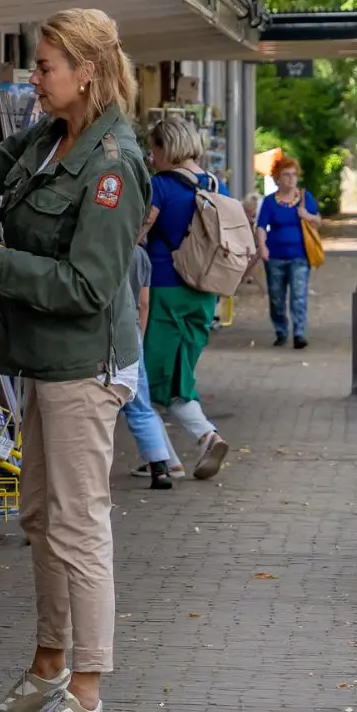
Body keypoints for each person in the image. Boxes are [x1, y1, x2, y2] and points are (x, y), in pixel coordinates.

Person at [0, 8, 147, 712]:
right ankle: (48, 669)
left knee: (78, 525)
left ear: (88, 72)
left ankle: (87, 694)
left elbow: (89, 285)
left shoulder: (112, 165)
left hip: (83, 366)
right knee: (43, 519)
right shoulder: (51, 139)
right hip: (42, 361)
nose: (33, 79)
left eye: (45, 67)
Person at [140, 116, 232, 480]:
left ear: (167, 148)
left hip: (164, 288)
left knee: (148, 376)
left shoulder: (160, 186)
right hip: (204, 291)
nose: (151, 156)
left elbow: (138, 232)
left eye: (154, 148)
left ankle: (193, 443)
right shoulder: (214, 184)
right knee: (180, 374)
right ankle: (164, 454)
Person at [121, 240, 180, 488]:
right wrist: (140, 336)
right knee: (141, 405)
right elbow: (144, 302)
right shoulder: (141, 255)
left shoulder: (100, 245)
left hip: (102, 329)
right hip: (131, 330)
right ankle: (160, 467)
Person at [254, 156, 320, 349]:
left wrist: (306, 215)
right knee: (276, 297)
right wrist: (262, 246)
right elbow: (260, 226)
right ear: (277, 178)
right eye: (286, 175)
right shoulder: (269, 202)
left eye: (294, 175)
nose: (291, 179)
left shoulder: (305, 198)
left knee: (299, 295)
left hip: (300, 256)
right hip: (274, 257)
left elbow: (318, 221)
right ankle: (281, 331)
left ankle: (299, 333)